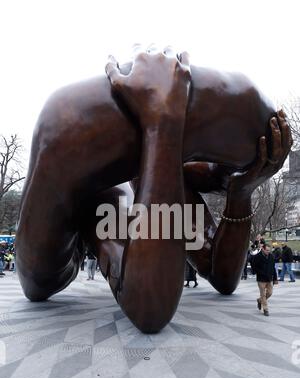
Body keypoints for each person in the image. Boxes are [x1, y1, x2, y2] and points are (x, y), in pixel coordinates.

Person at [16, 46, 293, 333]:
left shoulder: (171, 173)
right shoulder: (104, 199)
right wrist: (162, 122)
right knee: (68, 140)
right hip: (68, 198)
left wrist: (241, 193)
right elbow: (150, 312)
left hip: (98, 155)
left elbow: (223, 277)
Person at [252, 243, 278, 316]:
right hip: (261, 279)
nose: (268, 251)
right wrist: (260, 272)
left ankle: (259, 300)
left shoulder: (271, 256)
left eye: (269, 250)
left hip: (269, 279)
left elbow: (273, 268)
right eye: (266, 250)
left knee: (270, 293)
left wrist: (275, 278)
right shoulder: (257, 257)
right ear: (263, 249)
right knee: (263, 294)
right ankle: (266, 309)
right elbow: (254, 267)